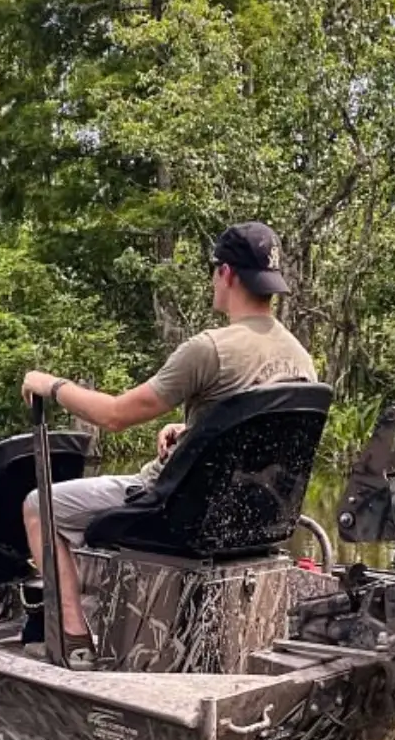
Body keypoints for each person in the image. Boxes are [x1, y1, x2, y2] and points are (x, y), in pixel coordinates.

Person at [21, 220, 318, 669]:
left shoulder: (209, 350)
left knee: (38, 504)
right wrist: (194, 434)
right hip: (253, 517)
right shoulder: (300, 357)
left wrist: (51, 383)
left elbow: (115, 415)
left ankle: (73, 641)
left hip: (176, 512)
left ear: (228, 275)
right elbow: (256, 433)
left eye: (215, 270)